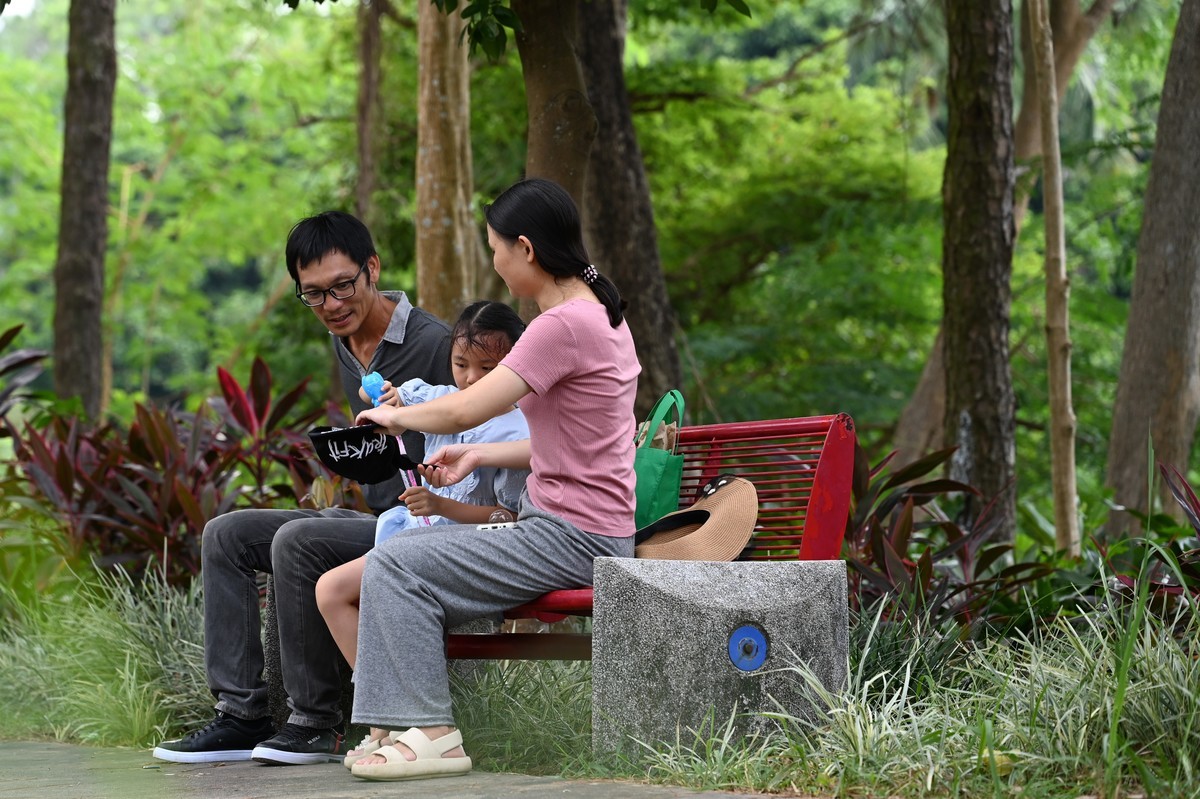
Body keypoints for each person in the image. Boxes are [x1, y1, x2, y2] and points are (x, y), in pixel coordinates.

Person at [346, 177, 640, 782]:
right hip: (583, 527)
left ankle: (431, 734)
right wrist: (479, 458)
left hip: (572, 536)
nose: (497, 265)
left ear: (526, 249)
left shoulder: (560, 327)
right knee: (402, 554)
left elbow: (464, 408)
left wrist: (392, 415)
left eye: (497, 250)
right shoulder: (601, 314)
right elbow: (576, 443)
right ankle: (402, 726)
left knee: (396, 563)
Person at [152, 211, 453, 766]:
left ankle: (316, 723)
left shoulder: (434, 343)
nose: (332, 305)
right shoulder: (347, 343)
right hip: (383, 520)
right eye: (313, 295)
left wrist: (414, 421)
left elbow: (480, 439)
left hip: (432, 527)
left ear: (372, 268)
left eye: (343, 286)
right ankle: (242, 716)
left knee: (298, 539)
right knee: (227, 533)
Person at [315, 300, 530, 767]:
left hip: (470, 548)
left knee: (341, 588)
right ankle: (385, 721)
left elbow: (511, 519)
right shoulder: (440, 398)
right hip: (416, 536)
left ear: (516, 366)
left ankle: (396, 724)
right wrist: (390, 399)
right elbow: (407, 398)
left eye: (489, 368)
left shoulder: (517, 430)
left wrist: (442, 505)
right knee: (331, 591)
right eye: (460, 364)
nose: (471, 380)